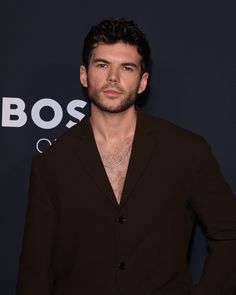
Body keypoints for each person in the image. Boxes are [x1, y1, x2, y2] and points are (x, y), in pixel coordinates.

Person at [16, 18, 236, 295]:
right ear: (84, 75)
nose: (113, 78)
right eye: (102, 64)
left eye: (127, 68)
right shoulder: (51, 164)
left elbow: (229, 233)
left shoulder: (187, 151)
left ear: (143, 82)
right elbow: (35, 271)